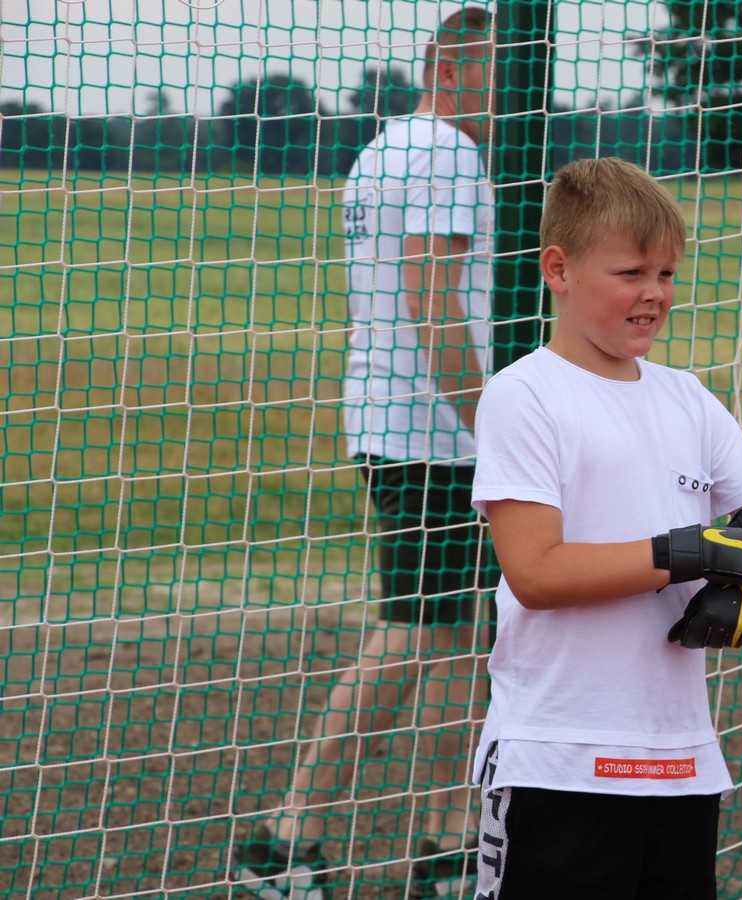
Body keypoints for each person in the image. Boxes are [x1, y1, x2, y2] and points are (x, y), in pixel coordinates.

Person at [468, 157, 742, 899]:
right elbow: (535, 573)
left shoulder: (687, 399)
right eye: (631, 272)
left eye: (667, 274)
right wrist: (687, 552)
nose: (655, 294)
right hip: (558, 759)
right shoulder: (524, 395)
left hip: (680, 760)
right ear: (559, 269)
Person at [231, 7, 497, 899]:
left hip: (406, 428)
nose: (513, 94)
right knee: (417, 629)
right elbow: (430, 298)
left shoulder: (388, 146)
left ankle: (453, 845)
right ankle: (288, 836)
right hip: (434, 436)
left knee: (466, 633)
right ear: (451, 68)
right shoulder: (444, 153)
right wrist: (494, 420)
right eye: (500, 72)